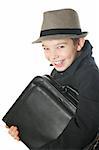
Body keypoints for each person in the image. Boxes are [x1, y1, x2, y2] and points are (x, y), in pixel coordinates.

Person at [7, 8, 99, 149]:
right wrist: (24, 129)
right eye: (46, 48)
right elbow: (49, 116)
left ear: (79, 43)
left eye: (60, 46)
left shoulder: (90, 77)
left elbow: (85, 129)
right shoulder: (60, 70)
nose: (52, 56)